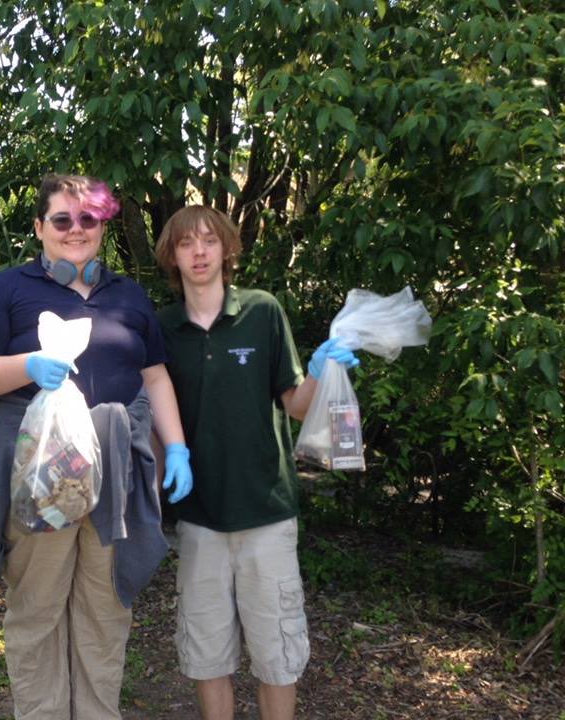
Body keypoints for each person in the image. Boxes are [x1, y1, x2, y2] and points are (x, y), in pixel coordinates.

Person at [0, 173, 193, 720]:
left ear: (103, 225)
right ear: (39, 227)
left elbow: (154, 376)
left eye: (88, 218)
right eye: (62, 219)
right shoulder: (8, 289)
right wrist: (27, 366)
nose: (75, 229)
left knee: (106, 610)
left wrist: (175, 447)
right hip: (41, 475)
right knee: (37, 610)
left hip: (114, 473)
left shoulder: (128, 295)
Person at [153, 205, 358, 720]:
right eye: (186, 243)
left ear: (227, 249)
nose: (199, 252)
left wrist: (321, 372)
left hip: (267, 510)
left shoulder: (263, 311)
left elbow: (295, 404)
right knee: (207, 654)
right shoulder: (163, 328)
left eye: (208, 241)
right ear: (172, 256)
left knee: (277, 654)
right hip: (199, 516)